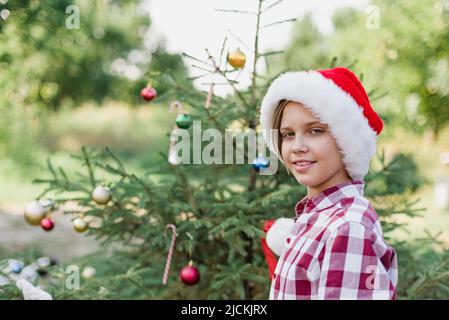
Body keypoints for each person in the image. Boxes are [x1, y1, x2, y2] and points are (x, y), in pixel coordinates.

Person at [259, 67, 398, 300]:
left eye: (315, 131)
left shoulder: (348, 227)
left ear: (347, 141)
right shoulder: (317, 218)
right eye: (288, 134)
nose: (297, 146)